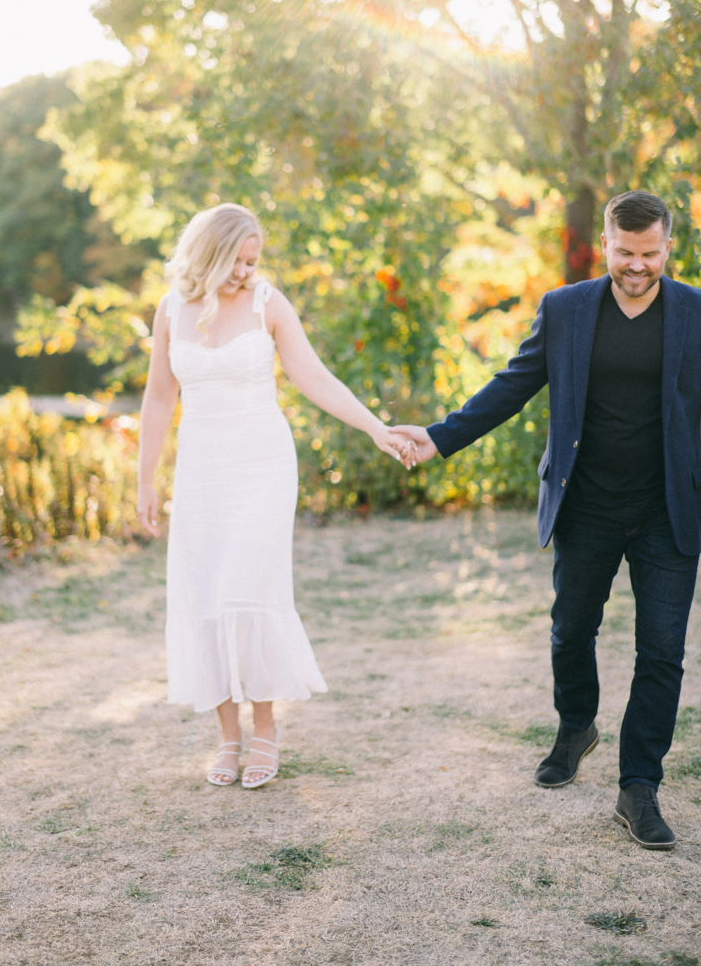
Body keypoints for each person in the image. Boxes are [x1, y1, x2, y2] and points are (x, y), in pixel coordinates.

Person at [395, 190, 701, 850]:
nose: (638, 266)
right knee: (570, 631)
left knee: (662, 652)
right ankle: (575, 726)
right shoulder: (565, 311)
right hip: (585, 504)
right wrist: (439, 436)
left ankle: (639, 786)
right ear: (607, 244)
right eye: (625, 253)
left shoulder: (695, 313)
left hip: (667, 511)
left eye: (651, 254)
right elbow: (513, 384)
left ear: (668, 248)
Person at [137, 203, 406, 789]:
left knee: (251, 588)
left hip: (262, 466)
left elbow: (313, 377)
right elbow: (159, 398)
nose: (245, 273)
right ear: (208, 253)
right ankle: (227, 738)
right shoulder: (170, 310)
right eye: (237, 261)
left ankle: (266, 729)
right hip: (201, 470)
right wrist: (144, 479)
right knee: (205, 591)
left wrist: (374, 428)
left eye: (253, 261)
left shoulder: (267, 303)